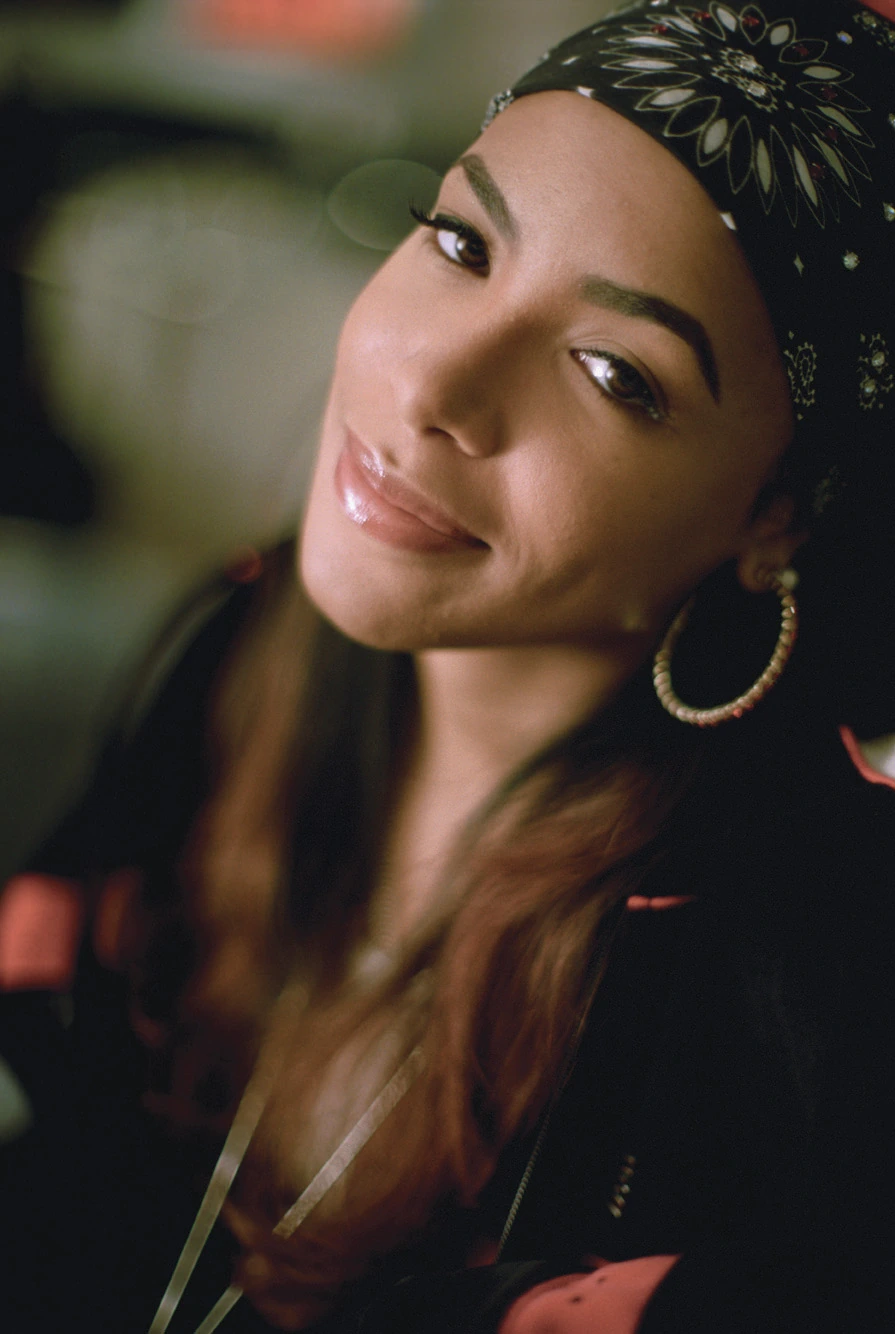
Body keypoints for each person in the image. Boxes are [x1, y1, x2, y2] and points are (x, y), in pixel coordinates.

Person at [4, 1, 895, 1331]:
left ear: (777, 517)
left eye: (613, 371)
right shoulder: (240, 646)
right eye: (461, 243)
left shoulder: (799, 995)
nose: (434, 387)